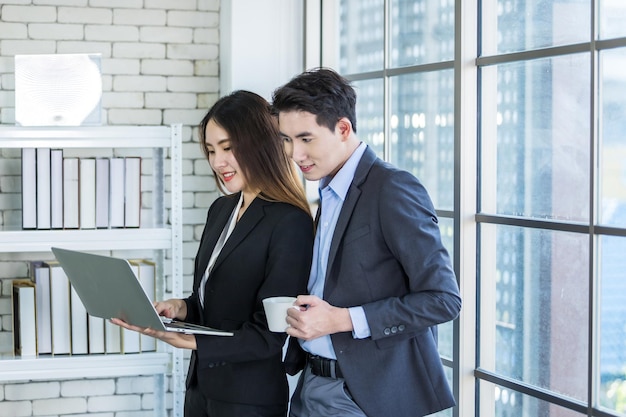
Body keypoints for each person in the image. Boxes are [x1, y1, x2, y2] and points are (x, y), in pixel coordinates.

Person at [271, 68, 462, 417]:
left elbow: (443, 300)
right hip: (312, 382)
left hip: (364, 395)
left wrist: (342, 319)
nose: (295, 154)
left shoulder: (392, 188)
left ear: (343, 129)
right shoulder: (328, 192)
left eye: (306, 139)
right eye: (287, 140)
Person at [112, 90, 314, 417]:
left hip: (248, 401)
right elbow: (213, 303)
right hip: (200, 391)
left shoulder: (290, 222)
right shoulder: (221, 209)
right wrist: (181, 308)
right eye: (210, 150)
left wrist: (192, 342)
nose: (217, 162)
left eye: (228, 148)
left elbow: (269, 335)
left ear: (260, 143)